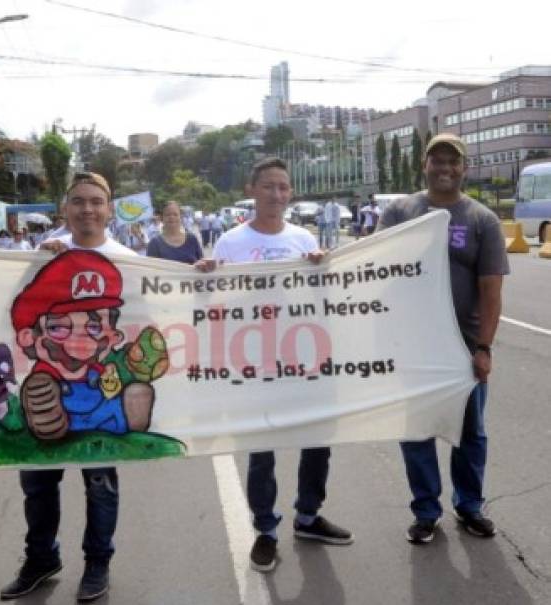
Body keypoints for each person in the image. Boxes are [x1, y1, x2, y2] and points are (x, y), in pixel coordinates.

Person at [208, 158, 354, 572]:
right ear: (252, 190)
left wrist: (324, 269)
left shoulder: (304, 239)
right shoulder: (229, 243)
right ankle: (266, 531)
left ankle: (308, 516)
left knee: (318, 441)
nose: (277, 194)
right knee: (262, 451)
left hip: (304, 358)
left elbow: (326, 297)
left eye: (284, 187)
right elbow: (212, 301)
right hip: (254, 362)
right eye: (269, 186)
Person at [0, 172, 136, 604]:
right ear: (65, 208)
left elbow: (161, 310)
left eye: (97, 201)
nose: (88, 209)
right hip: (47, 388)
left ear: (110, 209)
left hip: (100, 394)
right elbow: (6, 304)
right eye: (78, 201)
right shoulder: (42, 256)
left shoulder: (129, 259)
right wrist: (38, 264)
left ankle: (98, 563)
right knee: (38, 485)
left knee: (101, 483)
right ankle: (40, 559)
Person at [377, 133, 509, 544]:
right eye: (438, 160)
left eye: (453, 161)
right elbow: (372, 264)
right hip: (413, 345)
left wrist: (484, 348)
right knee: (416, 431)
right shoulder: (401, 211)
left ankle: (469, 506)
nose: (445, 168)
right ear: (425, 165)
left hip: (462, 348)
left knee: (471, 432)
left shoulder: (481, 220)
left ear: (464, 168)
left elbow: (491, 292)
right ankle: (426, 511)